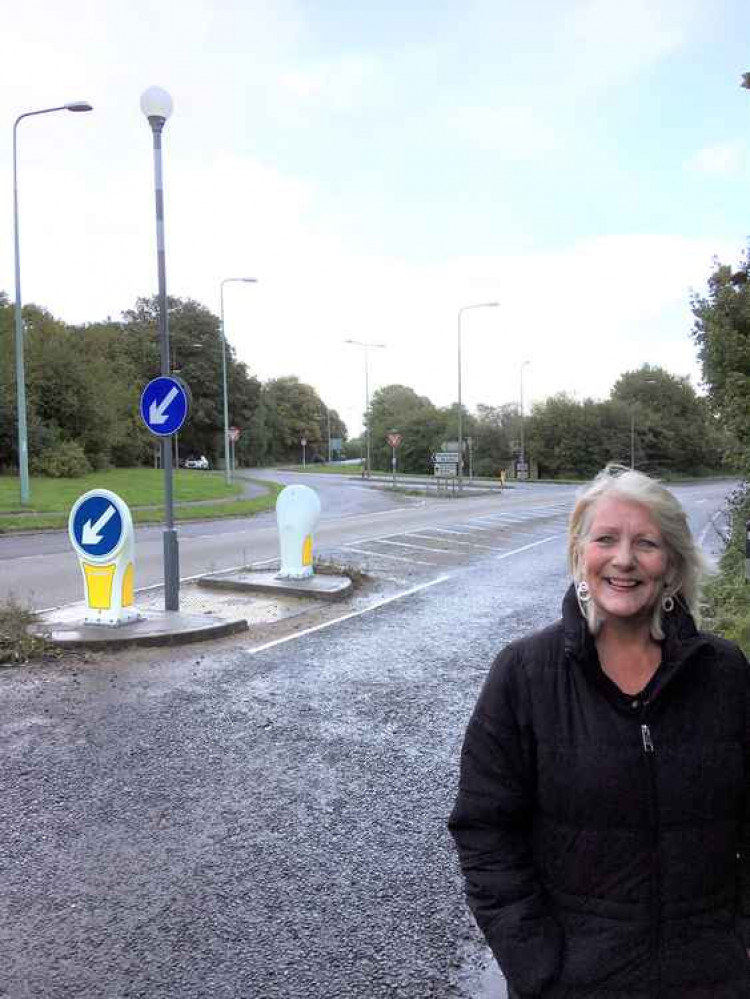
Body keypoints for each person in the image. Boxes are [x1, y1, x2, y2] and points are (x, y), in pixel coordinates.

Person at [448, 464, 750, 998]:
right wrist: (537, 964)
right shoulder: (524, 673)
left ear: (672, 564)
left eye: (646, 543)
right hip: (574, 984)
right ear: (580, 554)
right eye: (606, 539)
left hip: (714, 979)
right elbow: (484, 829)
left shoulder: (724, 673)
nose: (625, 559)